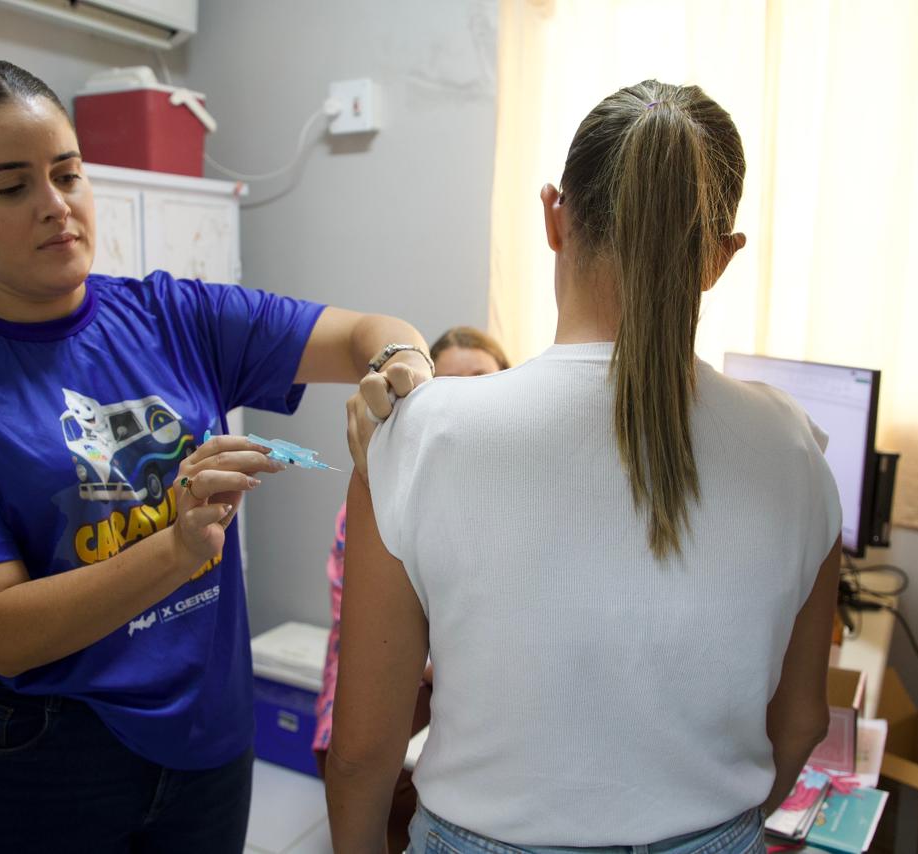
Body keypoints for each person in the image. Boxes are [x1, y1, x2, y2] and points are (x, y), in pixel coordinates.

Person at [0, 59, 431, 853]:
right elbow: (1, 630)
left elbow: (364, 332)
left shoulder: (173, 315)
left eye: (68, 174)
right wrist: (178, 548)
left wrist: (401, 365)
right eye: (12, 187)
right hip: (35, 763)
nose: (56, 206)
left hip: (205, 737)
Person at [326, 80, 843, 852]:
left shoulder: (420, 434)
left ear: (553, 216)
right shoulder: (795, 447)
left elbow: (363, 755)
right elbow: (801, 722)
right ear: (720, 258)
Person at [313, 326, 509, 852]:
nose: (467, 396)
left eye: (482, 379)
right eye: (451, 383)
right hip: (390, 710)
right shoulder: (389, 481)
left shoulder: (517, 490)